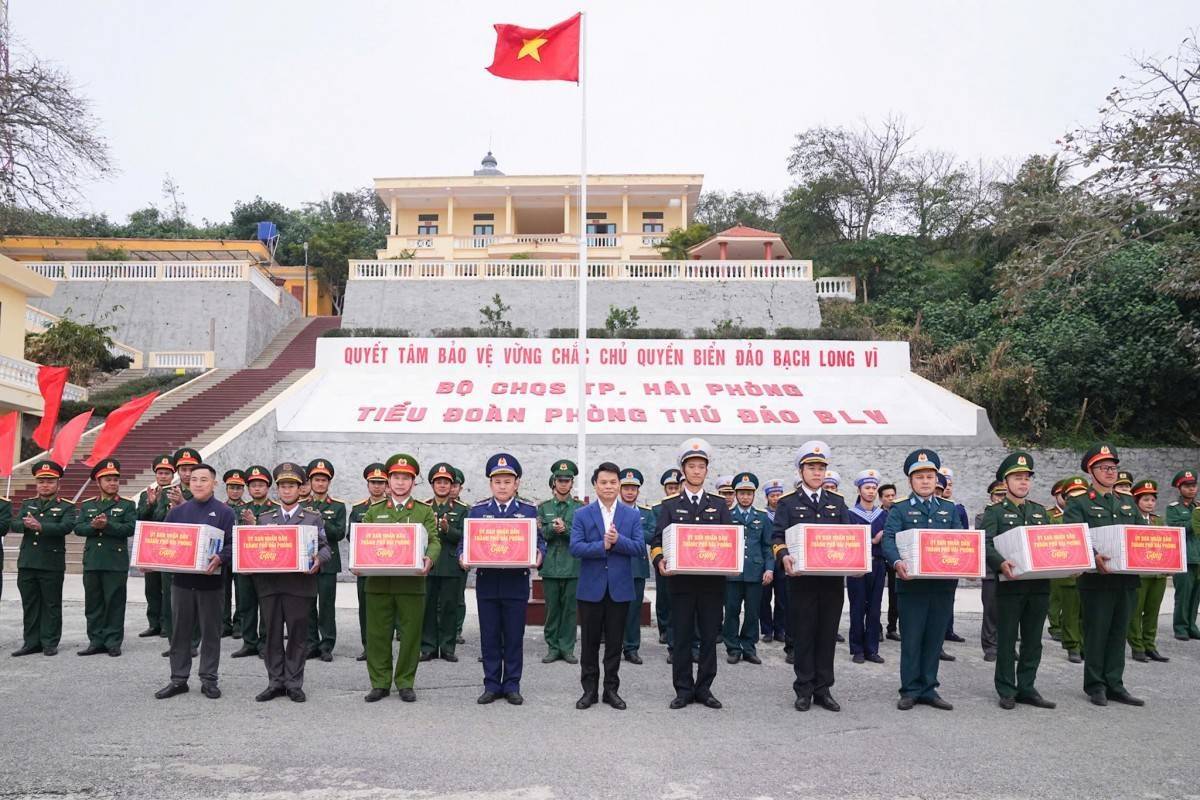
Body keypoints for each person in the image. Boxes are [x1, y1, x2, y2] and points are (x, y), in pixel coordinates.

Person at [650, 439, 733, 709]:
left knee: (709, 637)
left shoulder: (719, 505)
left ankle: (705, 689)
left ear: (707, 471)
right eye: (691, 466)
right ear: (683, 470)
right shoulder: (671, 505)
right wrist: (660, 560)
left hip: (711, 584)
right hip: (681, 583)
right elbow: (656, 539)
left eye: (701, 466)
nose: (697, 471)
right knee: (682, 636)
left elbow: (729, 541)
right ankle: (683, 689)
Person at [881, 448, 963, 711]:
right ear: (910, 481)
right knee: (913, 638)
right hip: (911, 584)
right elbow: (889, 540)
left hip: (941, 585)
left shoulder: (949, 509)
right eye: (919, 477)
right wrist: (897, 562)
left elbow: (960, 542)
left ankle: (929, 688)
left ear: (937, 479)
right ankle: (910, 689)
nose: (925, 481)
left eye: (929, 476)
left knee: (934, 638)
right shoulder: (900, 509)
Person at [1062, 443, 1144, 706]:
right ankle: (1095, 684)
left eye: (1113, 467)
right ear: (1090, 471)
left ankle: (1115, 683)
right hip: (1096, 579)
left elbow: (1142, 537)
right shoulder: (1079, 503)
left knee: (1119, 632)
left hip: (1126, 579)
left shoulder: (1128, 503)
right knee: (1096, 632)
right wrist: (1092, 556)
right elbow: (1074, 536)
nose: (1110, 472)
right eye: (1103, 468)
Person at [772, 441, 851, 712]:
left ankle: (823, 689)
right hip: (801, 580)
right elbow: (777, 536)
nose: (817, 473)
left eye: (821, 468)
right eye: (812, 468)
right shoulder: (787, 503)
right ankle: (803, 688)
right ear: (801, 470)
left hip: (831, 580)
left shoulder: (837, 502)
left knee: (827, 634)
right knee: (804, 634)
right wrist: (783, 555)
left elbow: (848, 538)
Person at [462, 453, 545, 705]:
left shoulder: (529, 510)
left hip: (515, 583)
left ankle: (511, 685)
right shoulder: (477, 510)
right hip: (487, 583)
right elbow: (463, 544)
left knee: (512, 637)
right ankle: (491, 685)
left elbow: (540, 542)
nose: (502, 486)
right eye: (498, 482)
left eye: (508, 481)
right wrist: (463, 557)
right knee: (489, 636)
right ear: (490, 484)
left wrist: (539, 555)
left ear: (516, 483)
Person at [359, 454, 439, 703]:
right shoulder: (374, 511)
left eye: (406, 478)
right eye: (396, 477)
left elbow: (435, 540)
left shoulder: (424, 511)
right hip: (378, 583)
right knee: (377, 635)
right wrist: (357, 562)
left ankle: (405, 681)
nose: (400, 482)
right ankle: (380, 683)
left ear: (413, 482)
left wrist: (430, 558)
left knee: (411, 635)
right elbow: (364, 541)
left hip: (412, 583)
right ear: (388, 480)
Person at [154, 464, 235, 699]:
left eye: (204, 480)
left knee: (211, 632)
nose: (198, 483)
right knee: (179, 632)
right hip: (181, 583)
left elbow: (232, 544)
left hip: (211, 584)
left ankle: (209, 679)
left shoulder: (224, 512)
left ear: (214, 484)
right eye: (194, 480)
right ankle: (178, 679)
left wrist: (221, 557)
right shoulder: (178, 512)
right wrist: (150, 558)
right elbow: (163, 542)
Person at [983, 452, 1057, 710]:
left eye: (1026, 478)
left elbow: (1050, 543)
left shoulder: (1039, 511)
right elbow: (986, 542)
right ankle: (1006, 688)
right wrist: (1000, 563)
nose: (1023, 482)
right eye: (1017, 478)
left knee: (1033, 640)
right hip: (1010, 584)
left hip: (1039, 586)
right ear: (1006, 481)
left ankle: (1027, 686)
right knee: (1006, 640)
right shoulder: (995, 511)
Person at [253, 463, 332, 703]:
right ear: (277, 490)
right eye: (283, 486)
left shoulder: (312, 517)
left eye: (292, 486)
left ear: (301, 489)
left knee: (298, 636)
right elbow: (255, 548)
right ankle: (275, 681)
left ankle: (294, 683)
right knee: (272, 635)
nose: (287, 491)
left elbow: (325, 547)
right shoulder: (265, 518)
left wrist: (319, 559)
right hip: (270, 586)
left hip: (300, 586)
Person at [570, 461, 645, 710]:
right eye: (604, 482)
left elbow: (637, 548)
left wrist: (618, 540)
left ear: (619, 485)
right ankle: (588, 691)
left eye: (613, 482)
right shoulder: (582, 514)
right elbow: (576, 547)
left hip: (620, 588)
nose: (609, 486)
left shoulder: (632, 515)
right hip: (591, 588)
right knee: (589, 643)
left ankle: (611, 690)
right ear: (595, 485)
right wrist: (601, 545)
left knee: (615, 643)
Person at [11, 460, 76, 657]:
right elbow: (14, 524)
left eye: (49, 481)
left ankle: (49, 642)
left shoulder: (66, 506)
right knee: (30, 603)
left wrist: (41, 526)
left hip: (51, 563)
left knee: (51, 604)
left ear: (58, 485)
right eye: (41, 481)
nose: (45, 485)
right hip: (28, 562)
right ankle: (31, 642)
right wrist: (25, 525)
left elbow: (67, 527)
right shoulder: (27, 504)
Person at [74, 459, 137, 657]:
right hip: (93, 561)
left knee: (115, 602)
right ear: (98, 482)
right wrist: (93, 526)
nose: (112, 483)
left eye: (115, 480)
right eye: (108, 480)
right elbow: (78, 528)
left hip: (114, 562)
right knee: (93, 603)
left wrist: (107, 526)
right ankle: (95, 641)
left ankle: (113, 641)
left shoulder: (127, 505)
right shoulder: (88, 505)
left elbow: (130, 528)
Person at [724, 472, 772, 665]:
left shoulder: (762, 517)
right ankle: (733, 648)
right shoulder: (727, 515)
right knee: (732, 611)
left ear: (754, 495)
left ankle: (749, 648)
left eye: (749, 493)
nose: (745, 497)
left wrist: (769, 569)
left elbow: (767, 546)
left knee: (753, 613)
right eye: (742, 493)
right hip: (732, 573)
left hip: (755, 572)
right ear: (735, 494)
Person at [422, 462, 468, 663]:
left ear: (452, 486)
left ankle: (448, 647)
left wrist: (448, 529)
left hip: (451, 566)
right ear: (432, 485)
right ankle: (428, 647)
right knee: (428, 607)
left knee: (450, 607)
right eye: (438, 482)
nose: (442, 486)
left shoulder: (462, 509)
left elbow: (467, 537)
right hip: (429, 565)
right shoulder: (423, 508)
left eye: (446, 482)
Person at [538, 459, 582, 664]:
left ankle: (567, 648)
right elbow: (540, 535)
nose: (563, 484)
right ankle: (552, 647)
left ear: (572, 483)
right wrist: (550, 529)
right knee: (552, 610)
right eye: (560, 480)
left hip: (573, 566)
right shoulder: (543, 508)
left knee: (570, 611)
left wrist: (565, 530)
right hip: (550, 567)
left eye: (567, 480)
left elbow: (583, 536)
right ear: (554, 482)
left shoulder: (580, 508)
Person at [230, 465, 277, 659]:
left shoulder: (275, 509)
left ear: (267, 488)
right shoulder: (240, 509)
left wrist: (254, 525)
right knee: (246, 605)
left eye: (261, 485)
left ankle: (265, 643)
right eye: (253, 485)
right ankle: (249, 642)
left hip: (267, 564)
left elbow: (278, 537)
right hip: (245, 563)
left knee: (266, 606)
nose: (257, 489)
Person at [303, 458, 345, 662]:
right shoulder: (302, 506)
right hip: (307, 562)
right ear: (310, 482)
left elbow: (339, 534)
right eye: (316, 480)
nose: (320, 484)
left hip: (329, 563)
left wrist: (321, 520)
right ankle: (311, 643)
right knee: (308, 604)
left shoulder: (337, 507)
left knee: (327, 606)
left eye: (323, 480)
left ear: (329, 483)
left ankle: (327, 644)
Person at [846, 469, 887, 665]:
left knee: (875, 608)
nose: (871, 491)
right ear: (859, 489)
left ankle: (872, 649)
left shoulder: (883, 515)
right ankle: (857, 649)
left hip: (878, 565)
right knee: (857, 607)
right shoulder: (850, 514)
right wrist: (873, 540)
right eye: (867, 487)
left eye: (873, 488)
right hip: (857, 566)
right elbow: (847, 541)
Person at [1047, 475, 1089, 662]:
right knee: (1070, 610)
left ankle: (1084, 644)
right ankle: (1073, 645)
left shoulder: (1092, 514)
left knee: (1086, 611)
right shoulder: (1055, 517)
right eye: (1071, 496)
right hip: (1065, 569)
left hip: (1090, 571)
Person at [350, 462, 390, 661]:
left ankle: (385, 648)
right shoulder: (358, 508)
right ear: (367, 484)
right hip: (366, 566)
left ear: (387, 484)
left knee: (387, 610)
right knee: (366, 609)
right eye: (373, 482)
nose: (377, 486)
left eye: (381, 482)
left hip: (389, 566)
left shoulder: (393, 506)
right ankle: (368, 646)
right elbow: (352, 536)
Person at [1127, 480, 1169, 664]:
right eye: (1145, 499)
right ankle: (1137, 647)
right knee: (1136, 611)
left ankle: (1150, 645)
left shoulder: (1158, 520)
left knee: (1153, 611)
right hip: (1140, 573)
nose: (1150, 503)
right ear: (1137, 501)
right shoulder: (1131, 519)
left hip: (1158, 574)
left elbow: (1167, 546)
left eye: (1152, 499)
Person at [137, 454, 176, 639]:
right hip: (150, 545)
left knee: (168, 587)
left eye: (167, 473)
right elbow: (141, 517)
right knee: (151, 587)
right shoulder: (147, 493)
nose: (163, 476)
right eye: (160, 473)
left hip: (169, 544)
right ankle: (154, 623)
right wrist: (150, 505)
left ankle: (167, 624)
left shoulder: (176, 493)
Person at [617, 468, 654, 665]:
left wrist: (631, 530)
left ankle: (631, 647)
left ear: (638, 491)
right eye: (626, 488)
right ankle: (614, 645)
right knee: (614, 608)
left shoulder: (646, 513)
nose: (630, 492)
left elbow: (651, 535)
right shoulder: (612, 511)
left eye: (633, 488)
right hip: (616, 565)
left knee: (633, 610)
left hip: (637, 568)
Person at [978, 479, 1008, 662]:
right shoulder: (983, 516)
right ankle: (990, 646)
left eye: (1004, 495)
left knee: (1009, 611)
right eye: (998, 495)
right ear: (991, 496)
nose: (1001, 498)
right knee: (991, 610)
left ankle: (1006, 646)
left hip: (1011, 570)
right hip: (990, 571)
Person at [1168, 469, 1200, 641]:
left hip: (1199, 557)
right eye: (1187, 486)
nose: (1191, 489)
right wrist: (1195, 518)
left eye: (1194, 486)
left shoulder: (1198, 507)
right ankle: (1180, 627)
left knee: (1196, 596)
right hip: (1184, 558)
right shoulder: (1173, 508)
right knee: (1183, 595)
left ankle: (1191, 626)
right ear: (1179, 488)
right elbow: (1175, 529)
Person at [653, 468, 682, 647]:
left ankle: (677, 630)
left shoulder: (685, 505)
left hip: (684, 558)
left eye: (675, 487)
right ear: (665, 489)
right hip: (664, 557)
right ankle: (664, 629)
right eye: (669, 488)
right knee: (663, 596)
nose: (672, 491)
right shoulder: (658, 508)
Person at [759, 479, 788, 644]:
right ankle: (767, 630)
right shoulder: (762, 515)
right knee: (764, 598)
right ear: (767, 497)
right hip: (765, 560)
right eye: (772, 495)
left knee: (782, 597)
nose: (776, 498)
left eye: (779, 495)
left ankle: (780, 629)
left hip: (783, 560)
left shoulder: (787, 513)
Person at [221, 469, 247, 638]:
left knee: (241, 591)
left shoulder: (248, 508)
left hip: (242, 555)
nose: (235, 491)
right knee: (223, 591)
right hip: (224, 555)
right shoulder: (220, 508)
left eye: (238, 488)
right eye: (232, 487)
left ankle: (239, 624)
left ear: (243, 489)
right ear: (226, 489)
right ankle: (224, 623)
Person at [879, 483, 901, 642]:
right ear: (881, 498)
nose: (891, 498)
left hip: (893, 559)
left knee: (895, 595)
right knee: (876, 596)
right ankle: (876, 628)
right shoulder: (876, 514)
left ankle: (892, 628)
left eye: (893, 495)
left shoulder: (898, 512)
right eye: (887, 496)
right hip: (879, 558)